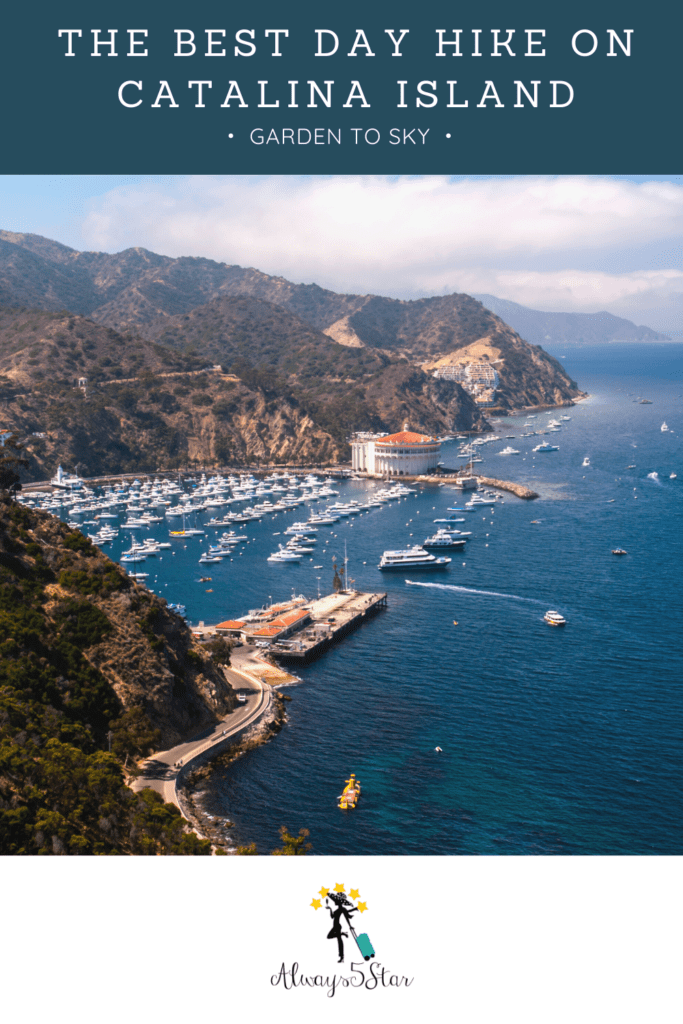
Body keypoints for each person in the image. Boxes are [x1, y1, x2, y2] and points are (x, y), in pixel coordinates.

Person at [326, 892, 357, 962]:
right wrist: (330, 909)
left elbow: (346, 916)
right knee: (329, 936)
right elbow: (332, 917)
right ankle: (342, 934)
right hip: (335, 926)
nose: (334, 902)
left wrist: (350, 926)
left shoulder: (342, 909)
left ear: (339, 901)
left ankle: (342, 957)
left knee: (339, 941)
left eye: (335, 901)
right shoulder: (337, 910)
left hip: (337, 926)